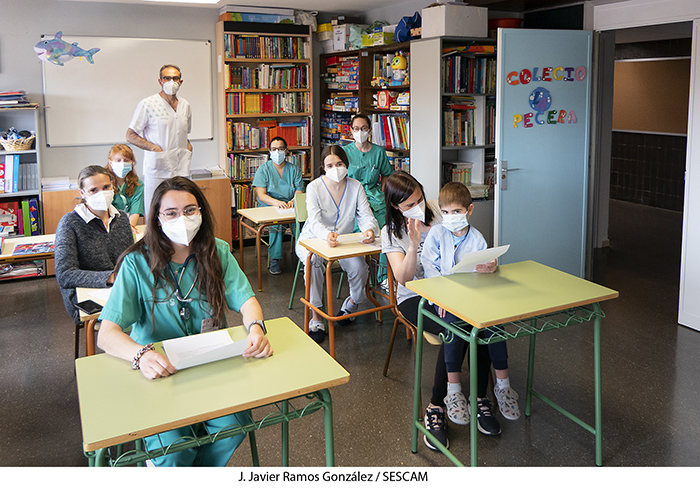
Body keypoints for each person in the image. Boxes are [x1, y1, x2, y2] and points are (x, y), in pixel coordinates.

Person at [96, 176, 272, 467]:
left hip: (210, 366)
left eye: (190, 210)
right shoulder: (136, 262)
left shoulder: (217, 251)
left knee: (235, 426)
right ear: (158, 218)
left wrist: (256, 328)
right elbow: (107, 334)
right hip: (161, 373)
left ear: (201, 212)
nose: (183, 218)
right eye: (171, 213)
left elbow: (246, 300)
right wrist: (141, 355)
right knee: (174, 450)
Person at [421, 182, 521, 440]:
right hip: (444, 299)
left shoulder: (477, 238)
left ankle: (503, 386)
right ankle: (453, 391)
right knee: (454, 328)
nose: (450, 217)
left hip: (473, 297)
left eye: (456, 211)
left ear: (469, 210)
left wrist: (491, 267)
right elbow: (429, 267)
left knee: (493, 325)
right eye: (445, 212)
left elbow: (484, 267)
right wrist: (440, 297)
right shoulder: (436, 234)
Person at [295, 145, 378, 344]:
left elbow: (366, 215)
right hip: (313, 239)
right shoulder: (314, 187)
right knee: (313, 262)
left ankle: (352, 304)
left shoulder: (356, 186)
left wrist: (369, 229)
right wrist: (326, 235)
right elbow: (314, 221)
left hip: (343, 241)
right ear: (323, 167)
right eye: (330, 165)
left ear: (346, 164)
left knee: (359, 268)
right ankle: (316, 317)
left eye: (339, 164)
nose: (335, 169)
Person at [55, 165, 135, 326]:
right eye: (93, 190)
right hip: (86, 294)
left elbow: (131, 260)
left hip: (121, 287)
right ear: (82, 193)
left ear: (113, 186)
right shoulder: (70, 223)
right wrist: (110, 277)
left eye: (106, 187)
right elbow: (65, 274)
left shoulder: (121, 218)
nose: (102, 193)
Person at [126, 64, 192, 216]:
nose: (171, 82)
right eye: (167, 78)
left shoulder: (185, 105)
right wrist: (153, 148)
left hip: (181, 168)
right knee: (155, 211)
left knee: (179, 210)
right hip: (158, 169)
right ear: (160, 81)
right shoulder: (148, 104)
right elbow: (130, 135)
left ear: (180, 82)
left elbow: (185, 133)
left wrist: (188, 148)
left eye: (175, 78)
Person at [343, 114, 394, 286]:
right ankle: (358, 276)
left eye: (364, 128)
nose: (360, 132)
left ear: (370, 130)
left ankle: (383, 277)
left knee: (387, 233)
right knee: (360, 233)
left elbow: (386, 174)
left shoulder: (378, 152)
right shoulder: (345, 152)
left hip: (376, 198)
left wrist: (382, 192)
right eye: (356, 129)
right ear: (351, 131)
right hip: (352, 201)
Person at [251, 136, 304, 275]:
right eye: (274, 149)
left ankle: (303, 257)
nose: (277, 152)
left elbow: (299, 190)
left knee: (299, 224)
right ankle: (274, 258)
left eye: (280, 148)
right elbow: (261, 195)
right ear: (269, 151)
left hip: (290, 206)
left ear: (286, 150)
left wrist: (293, 201)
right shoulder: (263, 169)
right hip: (269, 206)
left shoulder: (294, 169)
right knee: (277, 224)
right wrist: (277, 203)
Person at [105, 143, 145, 227]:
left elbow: (135, 211)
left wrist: (129, 228)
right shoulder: (104, 183)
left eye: (126, 160)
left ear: (132, 163)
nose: (122, 164)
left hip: (128, 223)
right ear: (110, 162)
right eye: (118, 160)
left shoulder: (138, 184)